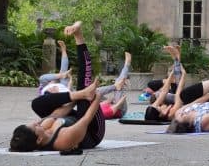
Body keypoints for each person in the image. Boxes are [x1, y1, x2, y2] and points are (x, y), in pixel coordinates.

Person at [11, 22, 105, 152]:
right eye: (35, 126)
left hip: (74, 117)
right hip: (91, 130)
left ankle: (82, 94)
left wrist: (77, 96)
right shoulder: (64, 140)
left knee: (37, 104)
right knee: (85, 89)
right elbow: (86, 119)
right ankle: (79, 36)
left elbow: (58, 113)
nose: (36, 122)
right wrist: (97, 97)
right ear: (39, 140)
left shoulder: (43, 128)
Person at [97, 52, 131, 120]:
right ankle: (127, 64)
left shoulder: (96, 108)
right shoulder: (105, 113)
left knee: (95, 92)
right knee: (119, 84)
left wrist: (112, 99)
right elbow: (117, 106)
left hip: (111, 104)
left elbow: (106, 102)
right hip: (120, 109)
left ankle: (115, 86)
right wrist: (121, 94)